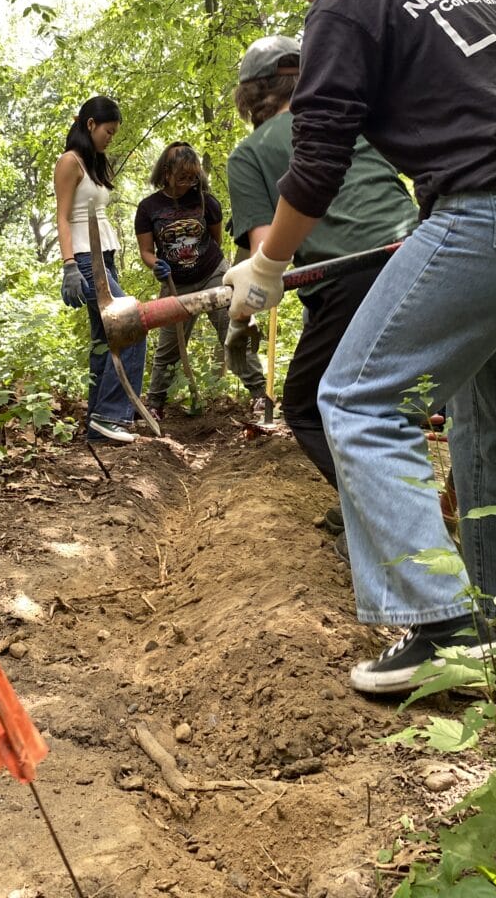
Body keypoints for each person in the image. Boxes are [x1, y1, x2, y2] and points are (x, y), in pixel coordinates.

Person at [223, 0, 496, 695]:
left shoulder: (343, 0)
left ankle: (440, 627)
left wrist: (267, 266)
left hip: (492, 210)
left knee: (353, 397)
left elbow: (317, 159)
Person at [228, 35, 418, 551]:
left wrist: (239, 314)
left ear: (251, 95)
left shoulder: (250, 153)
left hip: (349, 276)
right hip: (425, 253)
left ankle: (385, 520)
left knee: (307, 403)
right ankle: (383, 499)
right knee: (389, 397)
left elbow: (268, 256)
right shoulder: (350, 123)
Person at [134, 141, 266, 421]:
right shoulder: (148, 208)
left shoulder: (207, 202)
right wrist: (155, 264)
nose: (188, 183)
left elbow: (215, 241)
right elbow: (146, 250)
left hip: (212, 274)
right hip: (174, 285)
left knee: (233, 330)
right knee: (168, 345)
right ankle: (155, 404)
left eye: (193, 176)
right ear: (166, 172)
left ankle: (259, 396)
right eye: (182, 176)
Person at [54, 96, 146, 444]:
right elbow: (63, 218)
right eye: (108, 130)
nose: (111, 137)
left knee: (104, 341)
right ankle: (111, 415)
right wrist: (68, 267)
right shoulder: (69, 162)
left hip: (103, 257)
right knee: (132, 325)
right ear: (90, 124)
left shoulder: (95, 163)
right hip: (84, 261)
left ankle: (97, 424)